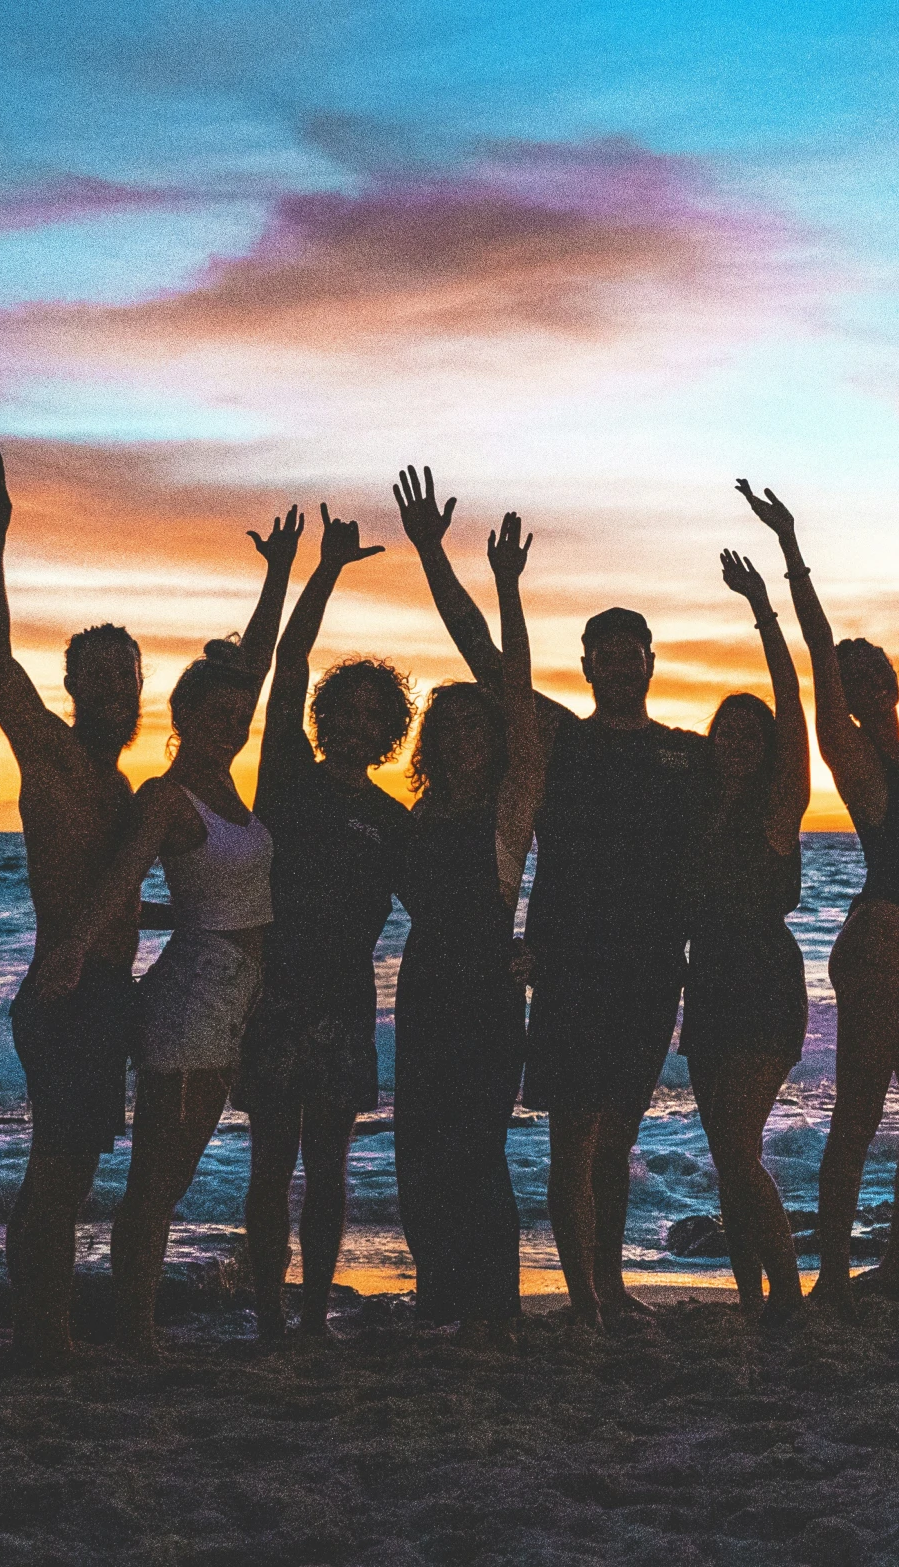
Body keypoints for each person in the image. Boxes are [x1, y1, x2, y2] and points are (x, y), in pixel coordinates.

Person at [397, 466, 706, 1330]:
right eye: (601, 652)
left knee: (619, 1138)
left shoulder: (683, 755)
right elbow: (486, 659)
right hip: (571, 966)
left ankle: (609, 1285)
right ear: (587, 663)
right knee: (574, 1137)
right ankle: (584, 1299)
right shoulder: (561, 743)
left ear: (650, 658)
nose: (615, 662)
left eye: (628, 649)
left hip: (653, 970)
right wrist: (448, 561)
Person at [30, 507, 300, 1357]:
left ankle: (129, 1329)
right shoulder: (168, 797)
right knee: (156, 1183)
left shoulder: (230, 789)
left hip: (230, 1001)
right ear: (181, 716)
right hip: (187, 1000)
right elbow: (117, 882)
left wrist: (280, 575)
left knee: (166, 1180)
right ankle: (136, 1336)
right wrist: (70, 950)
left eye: (237, 712)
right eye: (213, 712)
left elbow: (250, 668)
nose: (231, 720)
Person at [738, 481, 899, 1316]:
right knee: (861, 1113)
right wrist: (790, 556)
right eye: (849, 678)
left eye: (875, 674)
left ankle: (897, 1260)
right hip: (876, 940)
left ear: (895, 682)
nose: (862, 685)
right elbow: (818, 642)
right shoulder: (855, 761)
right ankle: (833, 1273)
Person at [0, 452, 147, 1369]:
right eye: (102, 675)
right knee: (57, 1172)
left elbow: (114, 902)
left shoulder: (123, 792)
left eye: (130, 676)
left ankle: (52, 1326)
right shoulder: (53, 757)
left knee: (75, 1174)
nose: (118, 689)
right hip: (66, 997)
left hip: (108, 995)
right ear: (73, 684)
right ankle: (39, 1332)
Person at [235, 506, 414, 1343]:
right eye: (343, 709)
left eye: (372, 714)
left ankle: (312, 1314)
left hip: (345, 1003)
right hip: (274, 995)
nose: (352, 722)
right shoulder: (287, 778)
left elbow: (441, 910)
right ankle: (269, 1310)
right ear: (324, 717)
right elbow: (292, 659)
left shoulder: (392, 818)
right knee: (270, 1160)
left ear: (388, 732)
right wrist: (326, 569)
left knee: (331, 1167)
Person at [390, 512, 539, 1344]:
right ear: (431, 744)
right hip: (424, 989)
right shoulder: (418, 816)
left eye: (475, 726)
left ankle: (492, 1304)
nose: (463, 739)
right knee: (420, 1148)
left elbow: (516, 693)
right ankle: (439, 1295)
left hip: (486, 992)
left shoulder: (507, 813)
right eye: (448, 729)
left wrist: (504, 586)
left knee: (477, 1149)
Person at [678, 548, 811, 1323]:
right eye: (725, 732)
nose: (737, 743)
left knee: (735, 1142)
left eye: (749, 735)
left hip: (764, 979)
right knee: (727, 1155)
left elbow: (790, 708)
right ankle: (752, 1296)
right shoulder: (695, 814)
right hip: (709, 983)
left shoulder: (777, 812)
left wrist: (763, 608)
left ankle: (789, 1296)